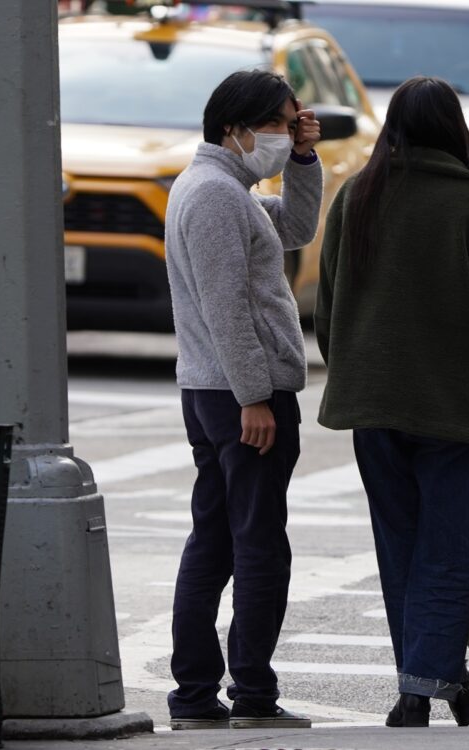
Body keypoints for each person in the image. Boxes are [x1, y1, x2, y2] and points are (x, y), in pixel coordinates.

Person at [314, 76, 469, 728]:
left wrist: (355, 371)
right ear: (454, 128)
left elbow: (328, 311)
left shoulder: (358, 196)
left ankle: (439, 685)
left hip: (373, 409)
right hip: (452, 411)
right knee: (447, 551)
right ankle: (420, 689)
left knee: (401, 547)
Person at [163, 70, 322, 730]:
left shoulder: (224, 189)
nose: (286, 136)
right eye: (281, 126)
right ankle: (247, 692)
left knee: (220, 541)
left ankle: (199, 693)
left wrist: (307, 159)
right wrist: (255, 397)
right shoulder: (215, 197)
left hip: (217, 390)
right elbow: (227, 309)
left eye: (291, 125)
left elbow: (298, 226)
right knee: (257, 547)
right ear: (236, 127)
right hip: (237, 395)